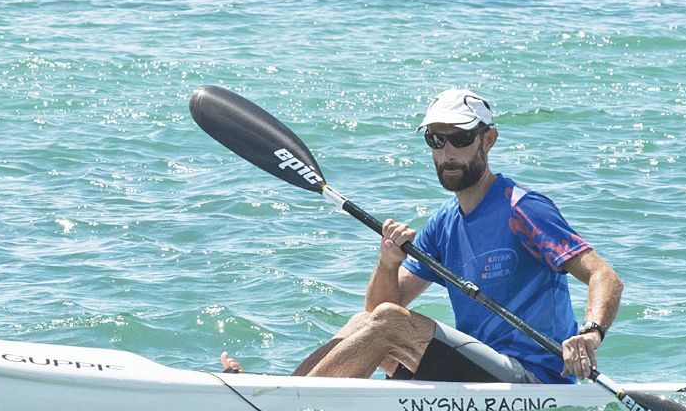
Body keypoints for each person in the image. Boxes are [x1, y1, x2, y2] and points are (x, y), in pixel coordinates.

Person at [222, 89, 622, 384]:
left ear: (488, 140)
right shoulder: (445, 222)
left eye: (460, 139)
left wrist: (589, 333)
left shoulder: (523, 209)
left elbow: (604, 276)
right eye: (436, 140)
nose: (448, 152)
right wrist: (387, 261)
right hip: (480, 372)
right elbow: (379, 310)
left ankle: (288, 402)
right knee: (369, 319)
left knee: (391, 324)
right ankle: (281, 390)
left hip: (533, 377)